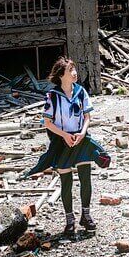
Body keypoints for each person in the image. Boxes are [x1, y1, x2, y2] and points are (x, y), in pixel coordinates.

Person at [22, 57, 110, 236]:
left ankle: (86, 215)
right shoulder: (52, 96)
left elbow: (87, 117)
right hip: (62, 143)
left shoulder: (81, 92)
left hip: (81, 140)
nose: (75, 73)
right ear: (62, 75)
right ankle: (69, 220)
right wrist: (64, 135)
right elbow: (47, 122)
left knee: (86, 178)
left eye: (74, 69)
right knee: (66, 182)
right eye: (71, 70)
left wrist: (83, 133)